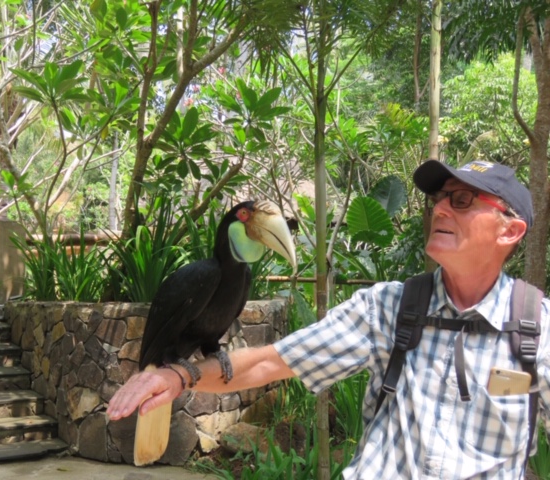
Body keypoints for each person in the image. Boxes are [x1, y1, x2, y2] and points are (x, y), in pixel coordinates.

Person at [107, 159, 549, 479]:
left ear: (510, 230)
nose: (440, 209)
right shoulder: (390, 308)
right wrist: (176, 376)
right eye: (438, 198)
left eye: (462, 200)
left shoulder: (539, 330)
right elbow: (272, 361)